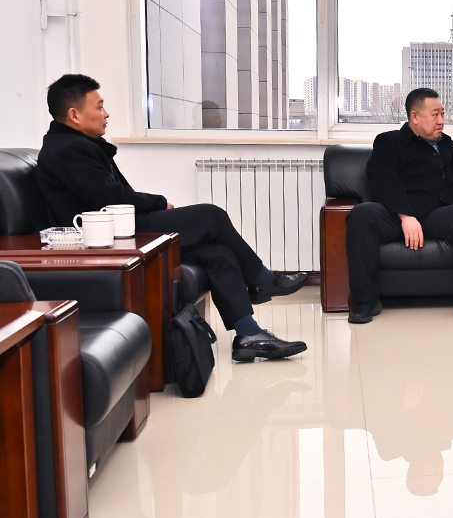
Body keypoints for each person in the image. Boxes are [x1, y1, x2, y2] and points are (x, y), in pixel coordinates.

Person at [36, 74, 309, 361]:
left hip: (116, 228)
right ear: (74, 115)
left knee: (218, 253)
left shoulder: (72, 144)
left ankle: (249, 335)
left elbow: (111, 196)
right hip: (105, 238)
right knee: (211, 215)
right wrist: (159, 203)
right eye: (99, 106)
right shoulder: (70, 150)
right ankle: (263, 279)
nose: (106, 114)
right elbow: (112, 198)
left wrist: (152, 205)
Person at [344, 88, 453, 325]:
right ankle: (365, 301)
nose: (441, 121)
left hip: (437, 214)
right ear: (414, 116)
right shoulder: (389, 142)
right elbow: (383, 181)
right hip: (395, 216)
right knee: (361, 214)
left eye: (443, 114)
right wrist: (406, 215)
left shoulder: (450, 147)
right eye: (435, 114)